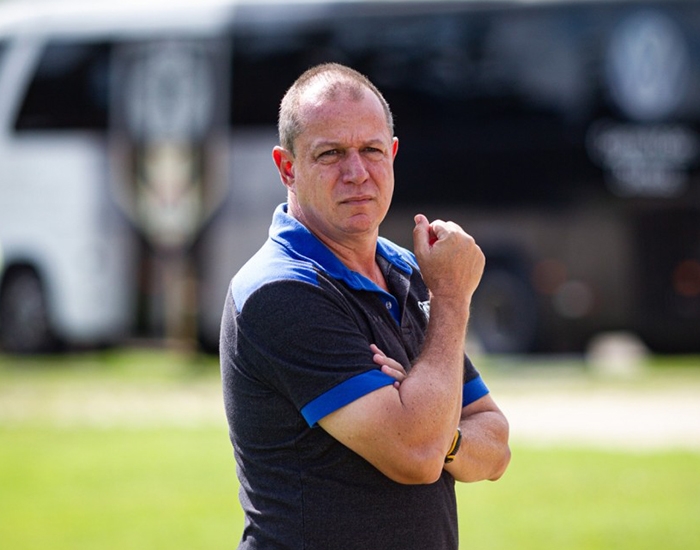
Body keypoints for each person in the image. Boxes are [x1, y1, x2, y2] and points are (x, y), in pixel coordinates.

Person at [220, 62, 510, 550]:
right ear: (287, 167)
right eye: (331, 153)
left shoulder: (407, 270)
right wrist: (452, 299)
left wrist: (438, 428)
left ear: (392, 154)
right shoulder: (280, 291)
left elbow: (497, 446)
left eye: (371, 150)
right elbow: (416, 455)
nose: (357, 173)